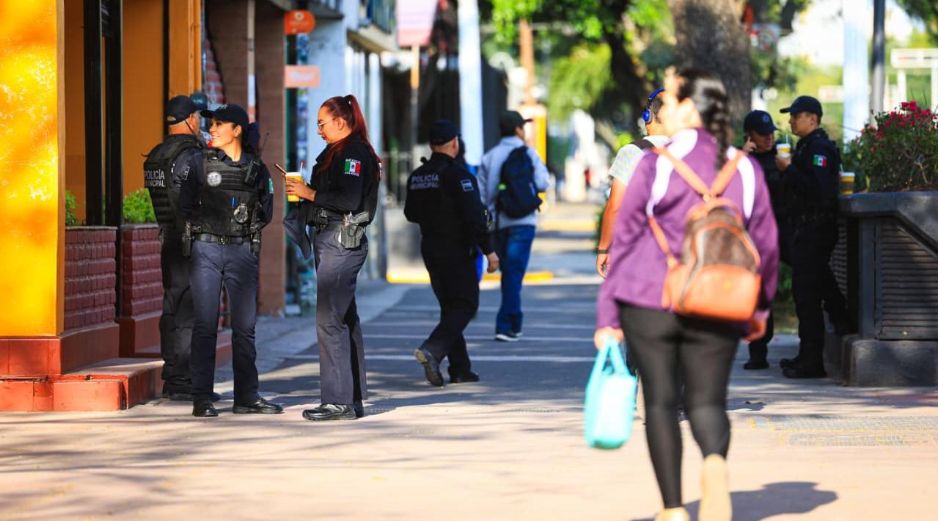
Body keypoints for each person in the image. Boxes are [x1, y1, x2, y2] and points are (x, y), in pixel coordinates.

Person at [595, 69, 779, 521]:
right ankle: (714, 466)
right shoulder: (744, 167)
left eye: (674, 101)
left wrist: (608, 315)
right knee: (707, 401)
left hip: (648, 297)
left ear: (692, 109)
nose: (664, 110)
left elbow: (628, 236)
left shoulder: (653, 164)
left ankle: (673, 508)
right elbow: (767, 246)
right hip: (717, 298)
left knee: (659, 401)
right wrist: (759, 308)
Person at [179, 103, 282, 418]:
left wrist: (241, 228)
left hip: (241, 251)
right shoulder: (199, 164)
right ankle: (202, 399)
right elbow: (184, 206)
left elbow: (266, 211)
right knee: (206, 325)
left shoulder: (256, 168)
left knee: (244, 328)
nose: (213, 128)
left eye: (220, 124)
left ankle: (246, 397)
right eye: (212, 124)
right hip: (206, 251)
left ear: (237, 129)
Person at [285, 94, 380, 421]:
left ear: (341, 121)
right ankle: (350, 398)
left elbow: (350, 199)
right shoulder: (335, 152)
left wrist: (310, 193)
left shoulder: (353, 152)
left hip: (342, 240)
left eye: (323, 123)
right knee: (342, 318)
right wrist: (304, 193)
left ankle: (338, 401)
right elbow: (331, 196)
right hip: (329, 238)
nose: (319, 130)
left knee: (329, 318)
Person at [405, 120, 499, 387]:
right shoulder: (459, 176)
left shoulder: (418, 176)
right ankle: (433, 350)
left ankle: (460, 368)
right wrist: (490, 251)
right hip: (456, 249)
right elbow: (475, 217)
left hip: (430, 248)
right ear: (455, 143)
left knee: (450, 307)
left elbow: (410, 213)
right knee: (466, 305)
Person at [142, 95, 212, 401]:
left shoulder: (156, 155)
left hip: (168, 237)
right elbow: (198, 198)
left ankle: (174, 374)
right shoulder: (191, 154)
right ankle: (183, 378)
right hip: (189, 240)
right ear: (191, 119)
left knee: (172, 304)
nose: (201, 123)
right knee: (188, 309)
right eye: (198, 117)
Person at [776, 96, 848, 378]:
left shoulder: (819, 148)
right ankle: (812, 349)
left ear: (812, 119)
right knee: (810, 289)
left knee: (806, 296)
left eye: (796, 115)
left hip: (816, 229)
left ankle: (812, 361)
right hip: (806, 230)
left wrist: (790, 169)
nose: (791, 120)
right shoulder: (806, 146)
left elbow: (819, 190)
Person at [478, 111, 550, 342]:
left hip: (499, 222)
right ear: (519, 129)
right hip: (524, 222)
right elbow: (543, 182)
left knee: (509, 273)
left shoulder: (490, 156)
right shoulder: (529, 153)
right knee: (513, 274)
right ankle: (507, 324)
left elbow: (484, 194)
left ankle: (512, 322)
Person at [596, 87, 671, 278]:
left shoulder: (633, 152)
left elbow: (615, 206)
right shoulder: (689, 150)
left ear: (648, 116)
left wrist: (604, 248)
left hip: (642, 249)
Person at [739, 109, 787, 370]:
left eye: (771, 133)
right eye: (763, 134)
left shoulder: (782, 156)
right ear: (749, 135)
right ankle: (758, 351)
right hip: (749, 238)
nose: (769, 138)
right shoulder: (739, 159)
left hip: (782, 233)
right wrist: (743, 156)